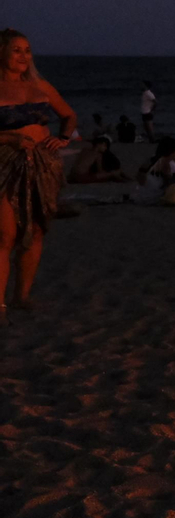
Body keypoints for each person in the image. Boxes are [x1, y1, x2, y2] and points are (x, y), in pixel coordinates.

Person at [0, 30, 76, 321]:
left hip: (43, 163)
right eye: (16, 50)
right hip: (5, 163)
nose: (23, 56)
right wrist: (8, 139)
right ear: (2, 52)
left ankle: (21, 297)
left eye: (27, 50)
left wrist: (63, 138)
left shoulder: (40, 86)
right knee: (5, 234)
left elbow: (69, 115)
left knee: (36, 232)